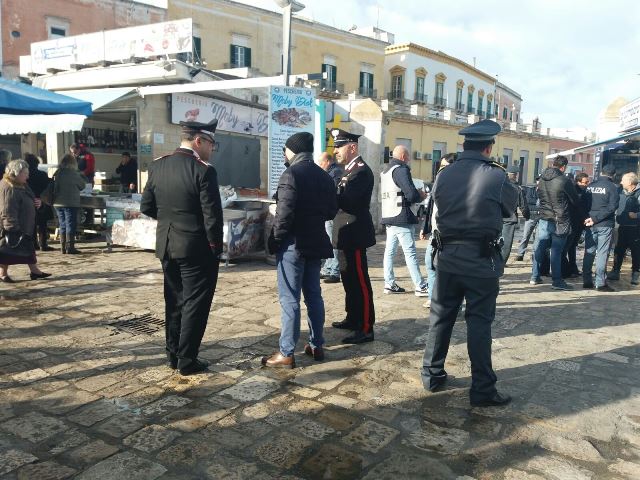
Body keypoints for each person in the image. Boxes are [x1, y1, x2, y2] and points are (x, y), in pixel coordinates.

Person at [421, 119, 518, 407]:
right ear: (489, 147)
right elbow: (509, 209)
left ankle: (431, 376)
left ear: (464, 145)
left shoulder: (443, 174)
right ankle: (482, 390)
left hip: (447, 258)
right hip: (480, 261)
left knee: (440, 319)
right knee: (479, 323)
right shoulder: (497, 176)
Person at [140, 120, 223, 376]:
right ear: (199, 141)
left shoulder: (158, 165)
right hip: (196, 248)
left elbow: (146, 206)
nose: (212, 149)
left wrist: (171, 222)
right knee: (195, 304)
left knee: (174, 301)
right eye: (211, 144)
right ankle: (187, 359)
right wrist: (216, 248)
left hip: (167, 245)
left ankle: (173, 354)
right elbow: (212, 217)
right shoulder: (204, 171)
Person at [262, 133, 338, 368]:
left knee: (290, 299)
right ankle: (316, 344)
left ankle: (286, 352)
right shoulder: (324, 176)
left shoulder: (291, 173)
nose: (284, 154)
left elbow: (283, 214)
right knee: (314, 296)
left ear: (292, 150)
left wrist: (274, 240)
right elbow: (331, 211)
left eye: (285, 150)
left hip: (293, 244)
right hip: (315, 242)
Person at [329, 129, 376, 344]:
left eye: (339, 146)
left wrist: (327, 191)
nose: (336, 150)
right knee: (348, 278)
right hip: (345, 233)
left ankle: (365, 327)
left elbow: (348, 201)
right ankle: (353, 317)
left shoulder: (361, 171)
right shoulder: (347, 170)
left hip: (355, 233)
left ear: (353, 147)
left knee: (360, 281)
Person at [381, 145, 429, 296]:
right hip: (402, 216)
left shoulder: (385, 171)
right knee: (410, 252)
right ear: (403, 156)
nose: (409, 160)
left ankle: (389, 283)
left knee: (389, 252)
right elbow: (411, 195)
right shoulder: (401, 170)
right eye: (408, 157)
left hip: (389, 215)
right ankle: (420, 285)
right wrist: (421, 195)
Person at [530, 155, 580, 290]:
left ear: (553, 164)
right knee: (556, 251)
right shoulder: (564, 180)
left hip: (544, 217)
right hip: (560, 219)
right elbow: (575, 200)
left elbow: (539, 196)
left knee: (540, 247)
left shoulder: (541, 179)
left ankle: (534, 276)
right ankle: (557, 281)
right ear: (563, 167)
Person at [0, 159, 51, 282]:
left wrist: (38, 203)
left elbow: (31, 198)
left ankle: (34, 271)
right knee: (7, 250)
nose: (28, 176)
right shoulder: (9, 187)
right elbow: (7, 209)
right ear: (16, 173)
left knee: (26, 248)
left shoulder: (21, 184)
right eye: (25, 173)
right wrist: (12, 228)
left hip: (25, 224)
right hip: (14, 226)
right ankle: (3, 273)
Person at [420, 152, 457, 307]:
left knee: (450, 270)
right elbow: (430, 209)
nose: (442, 170)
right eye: (441, 166)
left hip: (451, 236)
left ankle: (454, 301)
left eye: (445, 166)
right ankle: (432, 296)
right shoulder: (438, 184)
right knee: (430, 264)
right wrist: (425, 228)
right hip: (435, 235)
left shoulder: (460, 187)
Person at [582, 163, 619, 291]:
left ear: (602, 172)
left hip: (590, 223)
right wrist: (596, 219)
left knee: (589, 251)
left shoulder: (591, 186)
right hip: (604, 224)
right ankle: (600, 283)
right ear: (613, 175)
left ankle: (587, 280)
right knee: (602, 253)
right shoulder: (612, 187)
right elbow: (612, 207)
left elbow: (583, 204)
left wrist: (589, 218)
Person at [608, 172, 640, 285]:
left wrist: (637, 215)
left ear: (630, 182)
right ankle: (615, 271)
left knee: (636, 252)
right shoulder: (619, 191)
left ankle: (635, 273)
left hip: (636, 228)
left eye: (623, 180)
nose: (621, 182)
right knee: (618, 250)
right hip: (621, 226)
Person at [317, 151, 343, 284]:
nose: (319, 165)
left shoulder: (336, 172)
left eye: (321, 163)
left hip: (334, 213)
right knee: (329, 242)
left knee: (334, 243)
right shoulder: (330, 172)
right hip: (328, 212)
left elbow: (331, 191)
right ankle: (327, 268)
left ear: (327, 162)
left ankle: (334, 271)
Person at [53, 154, 86, 255]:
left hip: (58, 203)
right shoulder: (73, 173)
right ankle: (70, 247)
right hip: (70, 202)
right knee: (70, 224)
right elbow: (82, 186)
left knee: (62, 224)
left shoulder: (58, 172)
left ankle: (63, 247)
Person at [562, 172, 590, 277]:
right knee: (567, 246)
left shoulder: (585, 191)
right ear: (578, 182)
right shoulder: (574, 191)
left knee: (573, 246)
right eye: (585, 182)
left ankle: (573, 268)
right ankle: (565, 269)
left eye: (588, 182)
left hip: (579, 223)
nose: (587, 184)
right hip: (572, 222)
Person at [25, 154, 54, 251]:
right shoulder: (42, 174)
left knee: (32, 224)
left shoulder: (25, 175)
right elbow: (48, 186)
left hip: (29, 200)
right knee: (42, 224)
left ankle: (34, 244)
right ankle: (43, 244)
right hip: (41, 200)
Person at [501, 165, 530, 263]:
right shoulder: (517, 188)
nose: (516, 176)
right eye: (516, 174)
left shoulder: (499, 184)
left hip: (496, 217)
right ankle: (501, 263)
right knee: (506, 243)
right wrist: (527, 216)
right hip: (509, 218)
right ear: (514, 175)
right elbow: (523, 205)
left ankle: (493, 262)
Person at [515, 178, 540, 261]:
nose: (539, 182)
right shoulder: (530, 190)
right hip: (531, 216)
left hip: (541, 216)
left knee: (538, 238)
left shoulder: (545, 191)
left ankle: (535, 255)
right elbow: (527, 201)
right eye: (538, 180)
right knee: (525, 236)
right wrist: (536, 205)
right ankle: (520, 253)